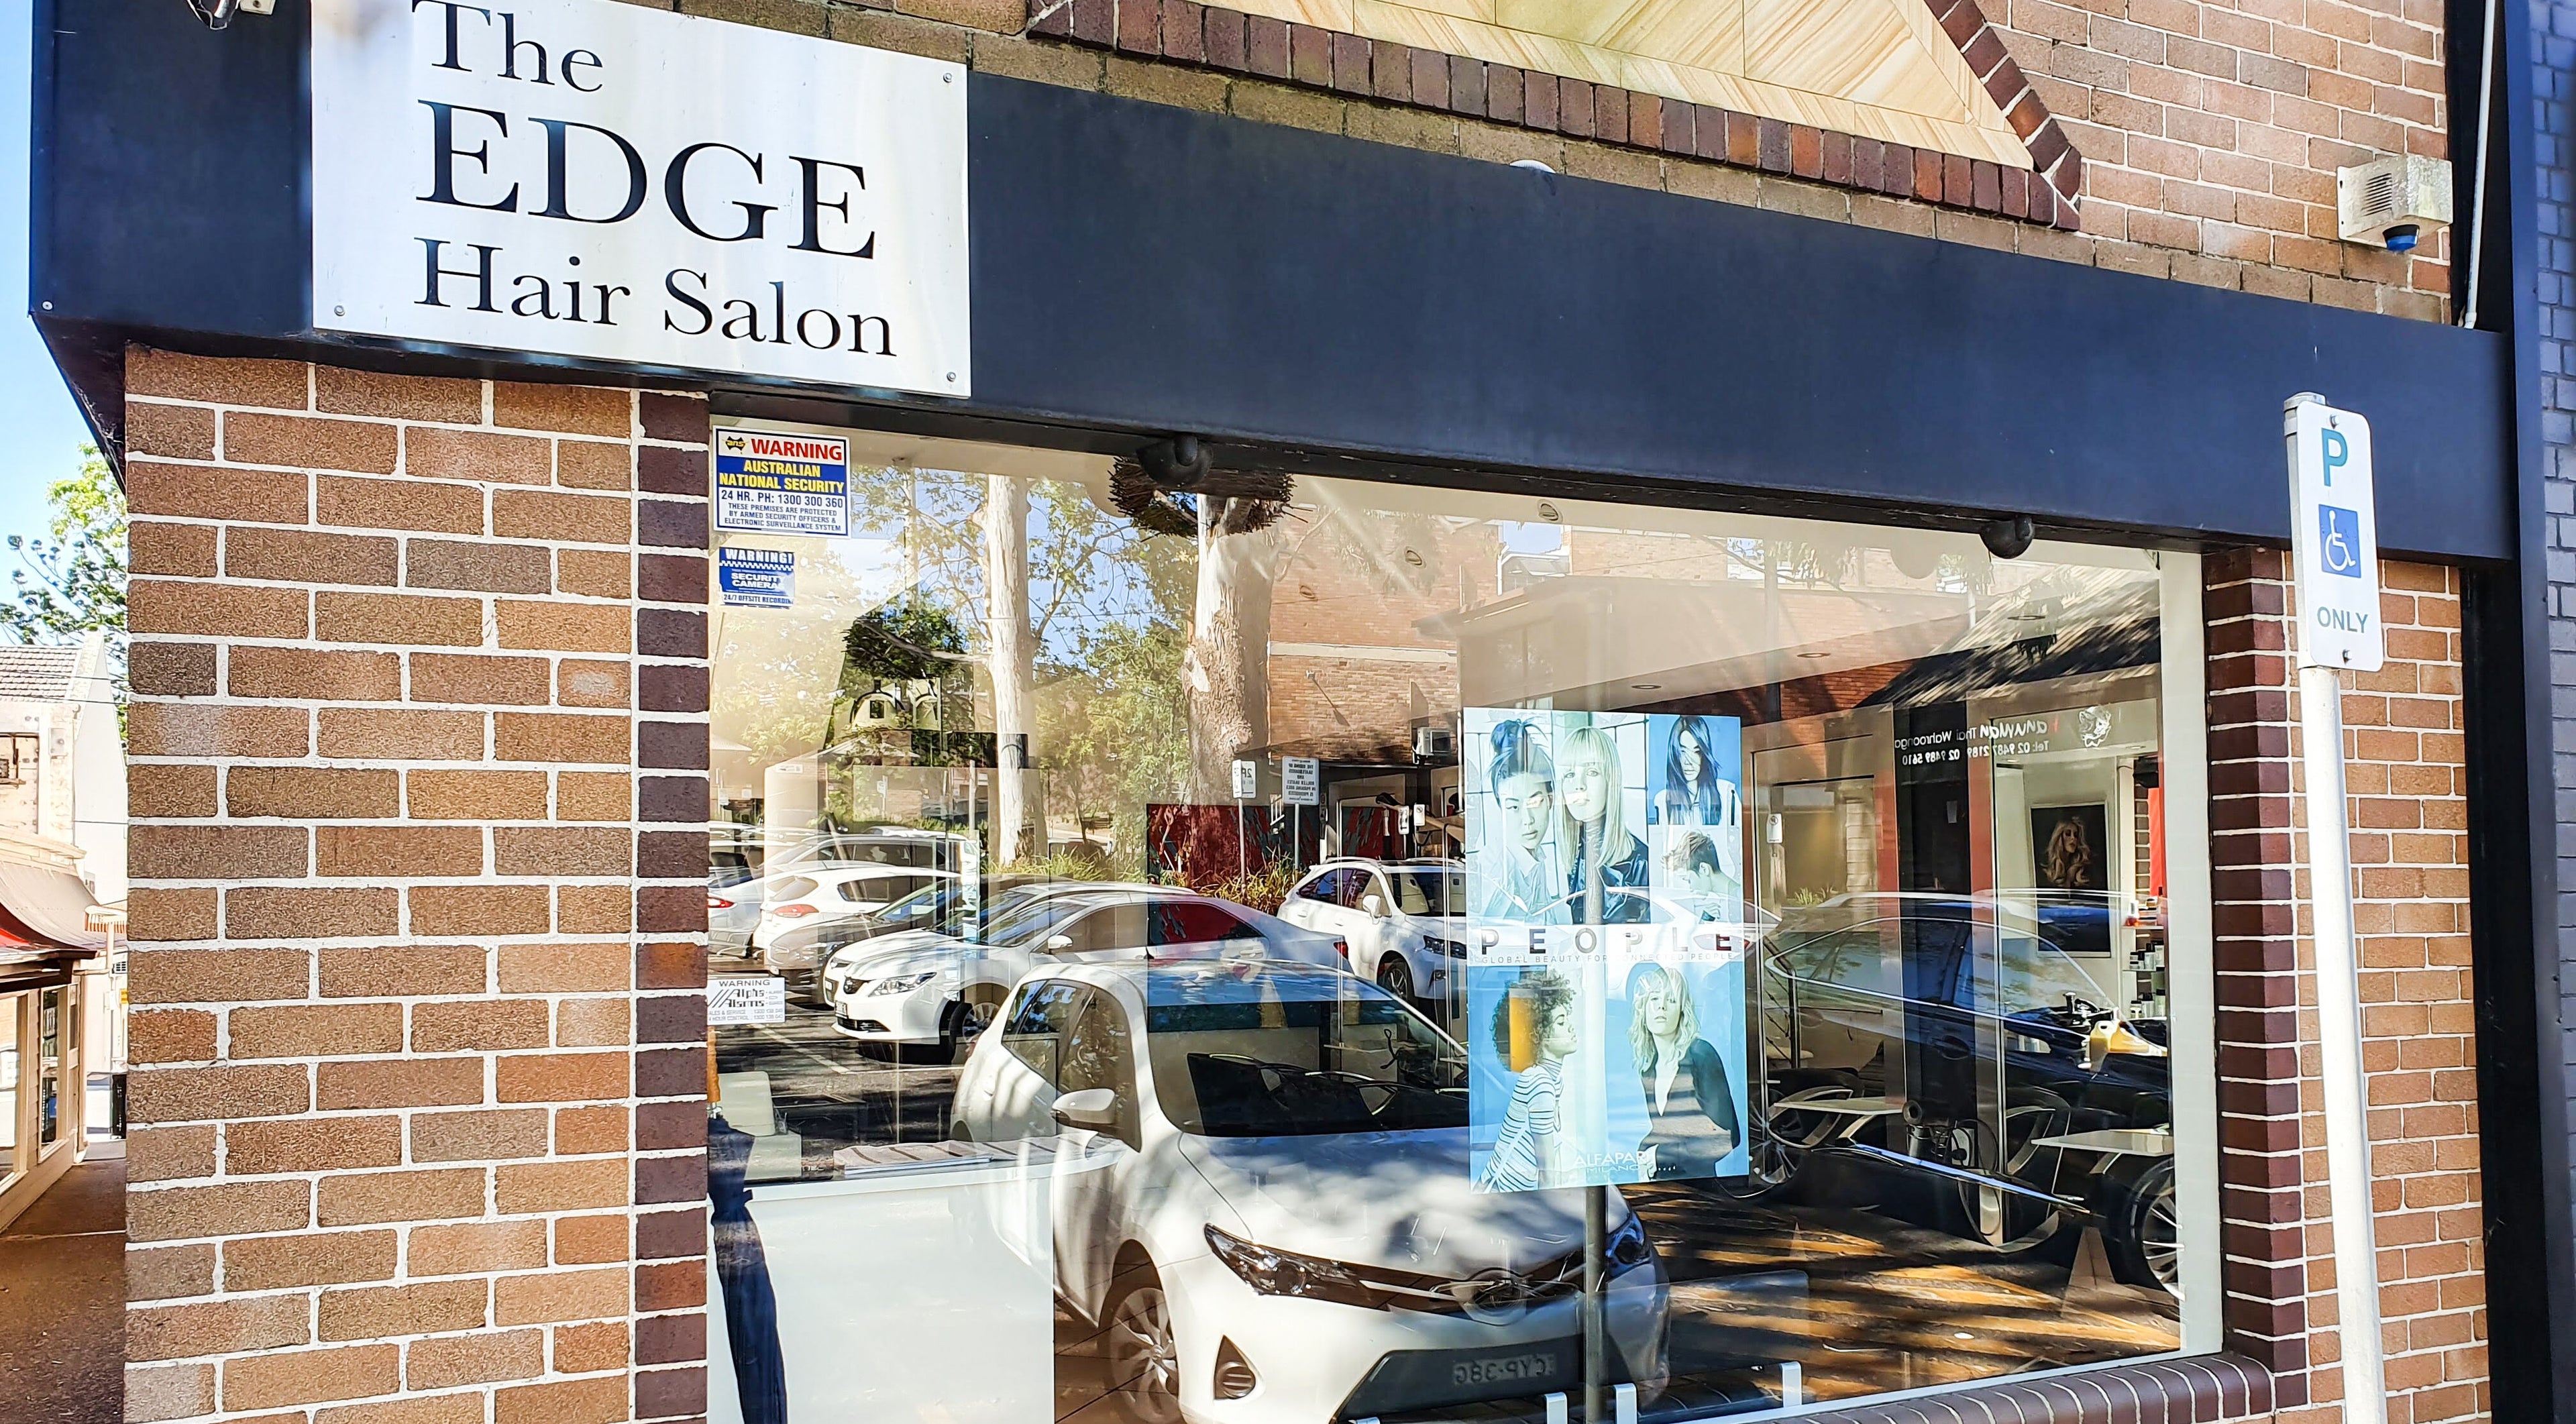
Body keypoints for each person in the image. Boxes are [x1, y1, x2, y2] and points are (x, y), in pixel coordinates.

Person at [1626, 961, 1740, 1181]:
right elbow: (1669, 1130)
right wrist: (1644, 1151)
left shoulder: (1700, 1055)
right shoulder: (1648, 1070)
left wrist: (1660, 1155)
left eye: (1671, 1000)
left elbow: (1726, 1139)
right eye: (1654, 999)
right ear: (1644, 1009)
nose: (1661, 1007)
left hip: (1698, 1191)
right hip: (1660, 1188)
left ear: (1681, 1010)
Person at [1479, 969, 1580, 1191]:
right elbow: (1547, 1171)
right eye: (1561, 1022)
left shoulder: (1550, 1080)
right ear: (1538, 1035)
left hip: (1511, 1191)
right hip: (1505, 1194)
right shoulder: (1540, 1083)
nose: (1571, 1027)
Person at [1559, 724, 1650, 922]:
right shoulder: (1574, 856)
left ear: (1611, 780)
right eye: (1569, 775)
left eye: (1592, 772)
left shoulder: (1641, 862)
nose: (1579, 785)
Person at [1480, 720, 1560, 922]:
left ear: (1550, 800)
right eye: (1514, 807)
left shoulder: (1534, 854)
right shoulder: (1498, 869)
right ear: (1502, 809)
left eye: (1535, 802)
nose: (1528, 820)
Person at [1654, 715, 1740, 834]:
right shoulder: (1663, 800)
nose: (1689, 762)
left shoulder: (1727, 794)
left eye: (1696, 752)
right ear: (1674, 754)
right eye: (1683, 752)